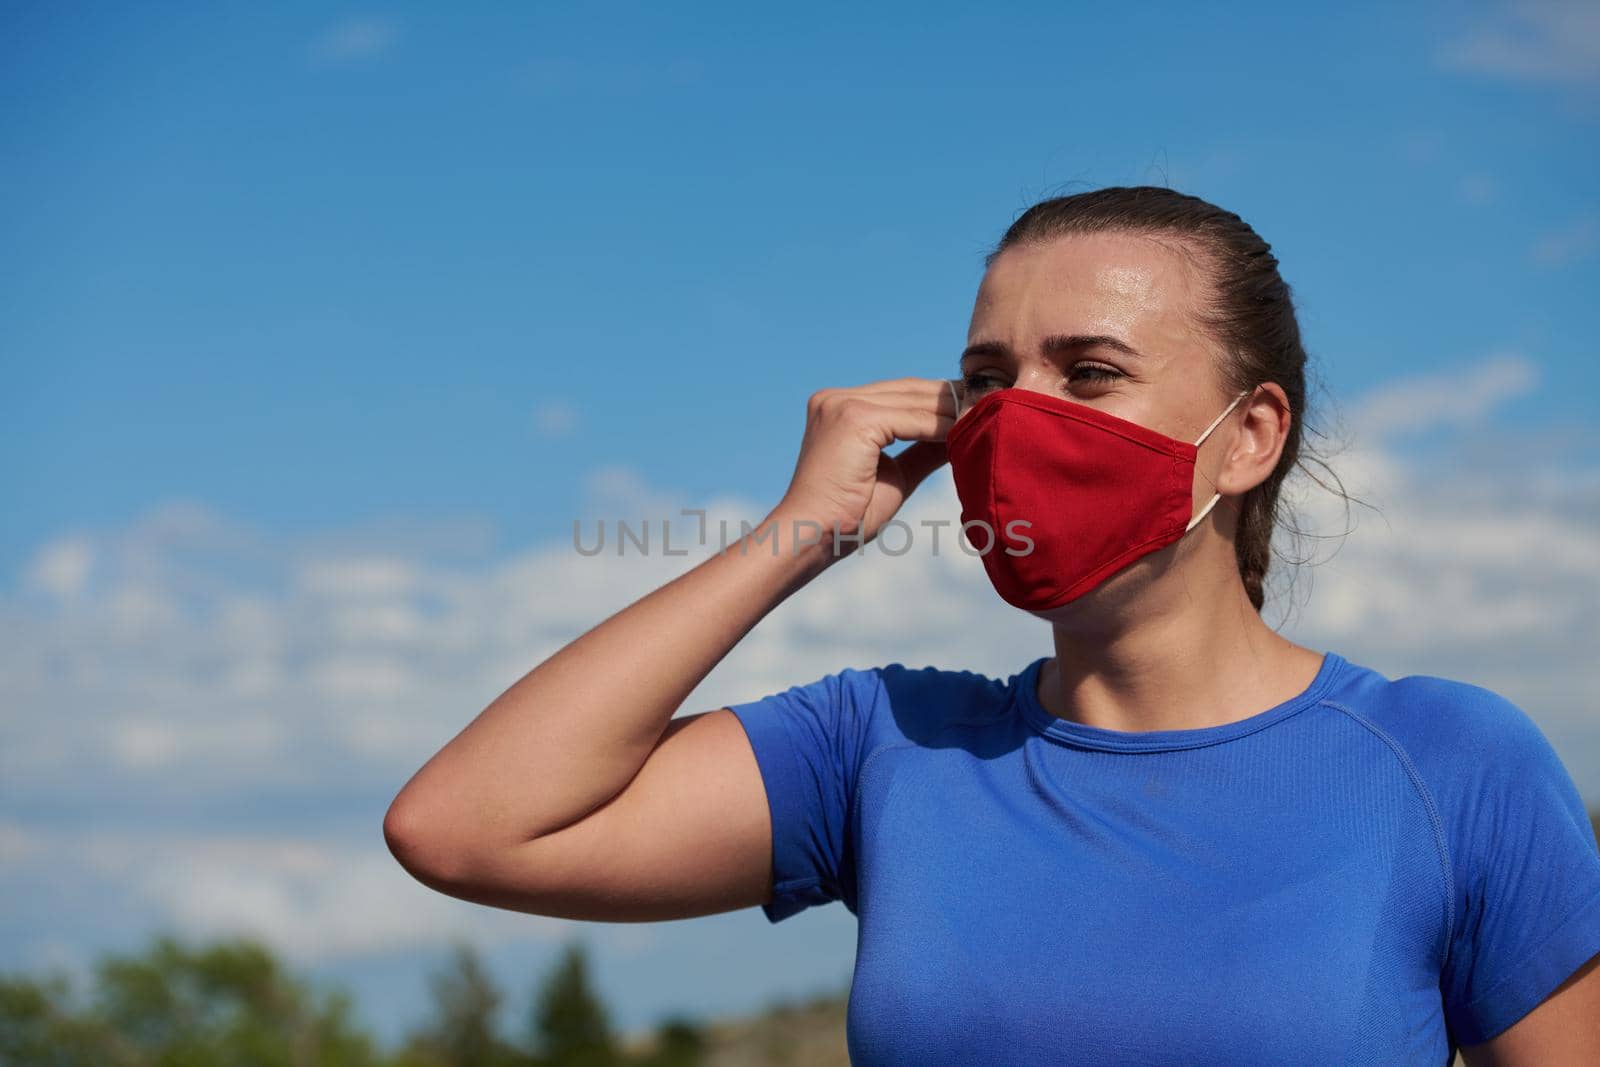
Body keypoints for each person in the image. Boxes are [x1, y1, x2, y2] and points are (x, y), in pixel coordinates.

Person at [383, 186, 1600, 1064]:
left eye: (1091, 371)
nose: (1021, 417)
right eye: (988, 376)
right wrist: (800, 531)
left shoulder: (1450, 764)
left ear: (1249, 433)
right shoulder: (887, 744)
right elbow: (464, 827)